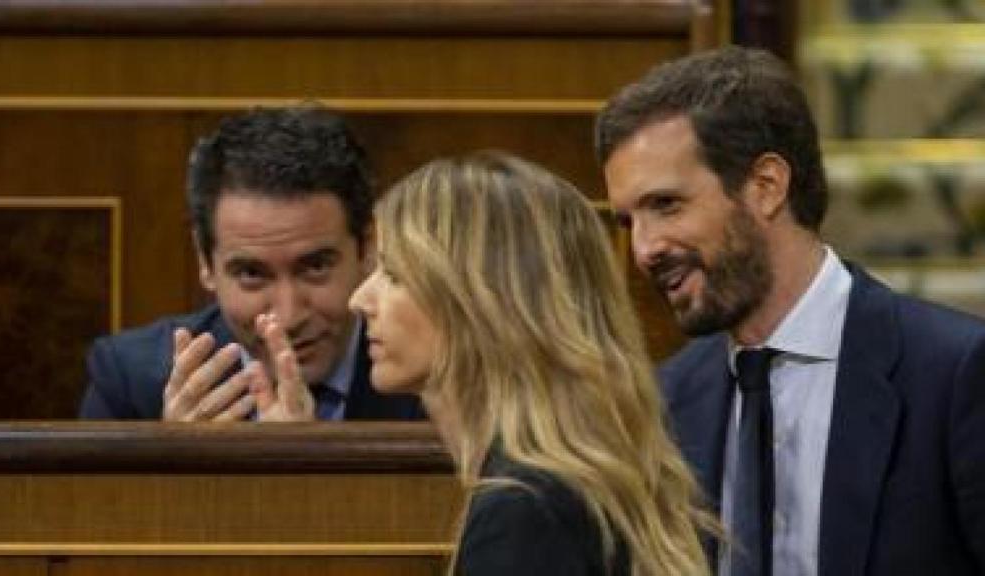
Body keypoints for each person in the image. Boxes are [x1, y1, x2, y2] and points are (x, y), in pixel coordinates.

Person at [596, 45, 985, 576]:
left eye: (666, 205)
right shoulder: (667, 399)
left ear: (766, 186)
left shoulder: (954, 373)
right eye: (628, 222)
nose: (644, 250)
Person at [349, 151, 716, 575]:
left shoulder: (524, 512)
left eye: (394, 275)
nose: (359, 300)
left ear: (481, 300)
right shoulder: (574, 486)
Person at [80, 106, 422, 421]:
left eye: (316, 267)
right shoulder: (130, 383)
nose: (287, 318)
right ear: (205, 261)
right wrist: (174, 462)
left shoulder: (432, 373)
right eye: (251, 274)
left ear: (367, 248)